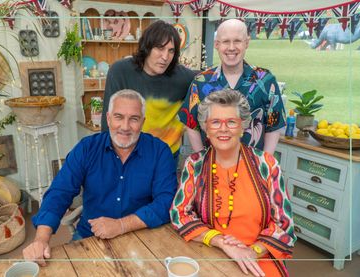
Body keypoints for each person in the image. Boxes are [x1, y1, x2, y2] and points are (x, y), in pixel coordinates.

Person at [24, 89, 177, 265]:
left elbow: (167, 201)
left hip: (142, 235)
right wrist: (41, 239)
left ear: (143, 122)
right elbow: (60, 192)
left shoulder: (159, 151)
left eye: (134, 119)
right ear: (108, 118)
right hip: (91, 237)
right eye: (119, 117)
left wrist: (121, 225)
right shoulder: (87, 148)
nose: (125, 127)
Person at [170, 89, 296, 277]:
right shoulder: (195, 164)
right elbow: (179, 213)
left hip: (259, 256)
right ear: (205, 127)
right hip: (211, 252)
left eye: (231, 122)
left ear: (243, 125)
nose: (223, 129)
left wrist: (251, 251)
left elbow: (284, 224)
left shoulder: (267, 164)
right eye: (215, 122)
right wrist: (220, 241)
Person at [179, 19, 286, 155]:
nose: (231, 47)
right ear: (217, 44)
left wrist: (265, 162)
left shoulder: (265, 80)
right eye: (225, 41)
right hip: (213, 167)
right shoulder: (201, 82)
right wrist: (202, 160)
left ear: (246, 43)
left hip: (252, 166)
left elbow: (274, 126)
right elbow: (191, 124)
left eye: (237, 41)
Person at [101, 20, 196, 160]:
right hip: (128, 155)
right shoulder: (120, 71)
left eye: (171, 51)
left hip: (167, 157)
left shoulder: (184, 77)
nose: (165, 57)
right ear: (147, 47)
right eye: (159, 48)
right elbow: (107, 122)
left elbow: (212, 79)